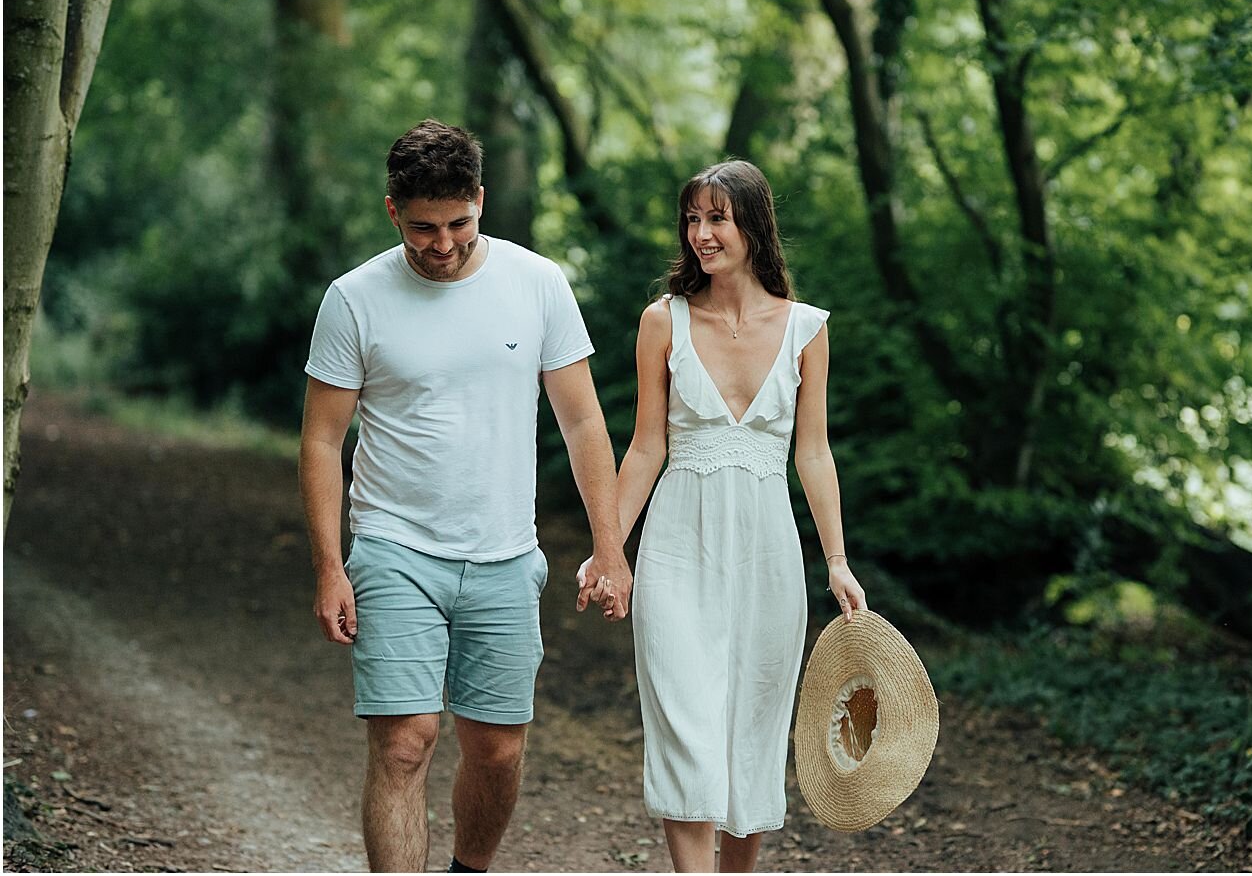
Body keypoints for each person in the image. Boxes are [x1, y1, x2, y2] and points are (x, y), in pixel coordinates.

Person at [299, 119, 631, 873]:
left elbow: (582, 423)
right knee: (406, 741)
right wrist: (330, 565)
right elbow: (322, 440)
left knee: (497, 750)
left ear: (481, 201)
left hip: (506, 557)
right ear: (392, 212)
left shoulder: (537, 284)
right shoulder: (355, 299)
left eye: (459, 223)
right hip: (393, 547)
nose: (442, 243)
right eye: (423, 228)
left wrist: (609, 548)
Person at [579, 160, 866, 872]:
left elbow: (816, 455)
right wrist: (608, 548)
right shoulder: (662, 322)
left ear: (754, 226)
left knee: (752, 731)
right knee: (685, 727)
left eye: (717, 218)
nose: (701, 234)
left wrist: (836, 561)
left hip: (768, 556)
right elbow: (646, 446)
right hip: (677, 549)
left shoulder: (805, 329)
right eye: (692, 220)